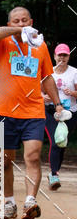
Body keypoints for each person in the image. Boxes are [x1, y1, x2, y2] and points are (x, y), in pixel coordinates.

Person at [0, 7, 63, 219]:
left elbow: (47, 77)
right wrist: (13, 32)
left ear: (32, 21)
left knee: (33, 155)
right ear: (9, 24)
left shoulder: (40, 46)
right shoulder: (3, 43)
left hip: (33, 110)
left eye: (24, 20)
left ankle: (30, 201)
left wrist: (57, 104)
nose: (21, 24)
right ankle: (9, 202)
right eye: (16, 21)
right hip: (2, 110)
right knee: (3, 161)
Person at [44, 44, 77, 189]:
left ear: (69, 56)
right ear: (54, 56)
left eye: (65, 55)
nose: (62, 58)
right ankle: (53, 174)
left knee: (62, 142)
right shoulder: (48, 72)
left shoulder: (74, 72)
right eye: (60, 55)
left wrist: (72, 93)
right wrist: (43, 97)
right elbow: (37, 91)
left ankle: (54, 171)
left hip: (70, 113)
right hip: (51, 112)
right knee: (55, 141)